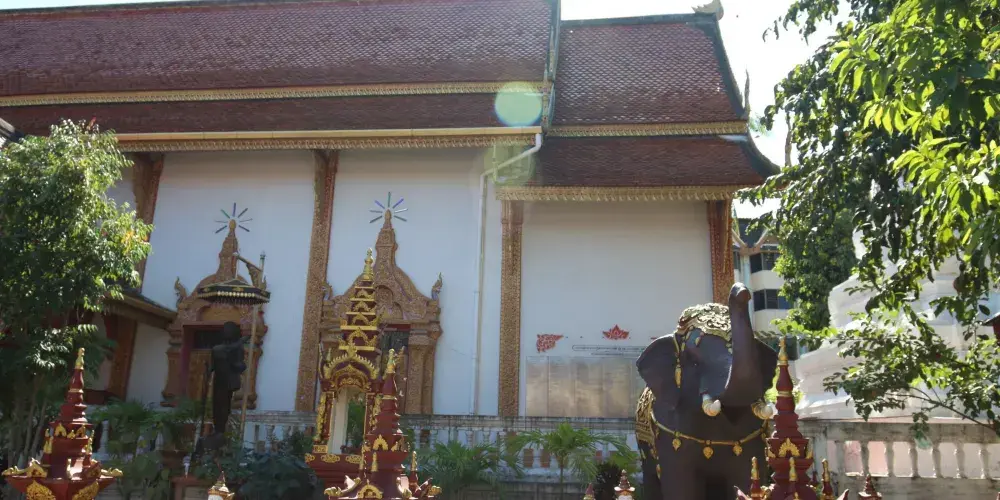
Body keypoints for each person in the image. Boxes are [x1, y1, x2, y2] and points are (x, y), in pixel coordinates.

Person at [205, 322, 246, 451]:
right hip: (219, 380)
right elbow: (211, 367)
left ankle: (222, 430)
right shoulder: (216, 349)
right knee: (217, 405)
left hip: (230, 381)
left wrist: (232, 361)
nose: (227, 332)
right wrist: (207, 371)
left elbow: (240, 366)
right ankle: (218, 430)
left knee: (225, 405)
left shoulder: (238, 347)